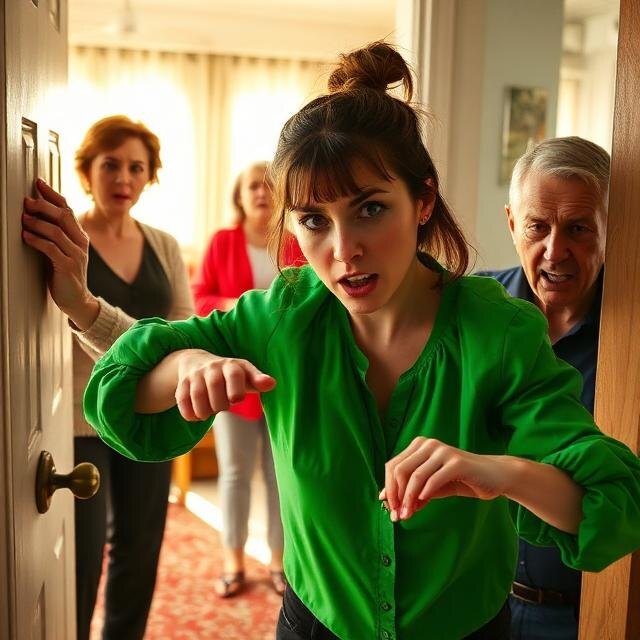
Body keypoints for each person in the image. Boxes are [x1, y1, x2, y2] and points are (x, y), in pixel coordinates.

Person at [77, 42, 640, 640]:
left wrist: (502, 473)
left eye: (370, 209)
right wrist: (189, 361)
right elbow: (120, 385)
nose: (344, 251)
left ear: (423, 200)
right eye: (314, 221)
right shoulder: (279, 315)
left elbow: (614, 502)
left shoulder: (498, 330)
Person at [21, 115, 194, 640]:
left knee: (140, 553)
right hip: (81, 420)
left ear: (150, 177)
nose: (124, 178)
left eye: (137, 167)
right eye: (111, 165)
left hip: (149, 416)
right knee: (79, 557)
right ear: (87, 171)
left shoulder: (164, 245)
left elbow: (184, 333)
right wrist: (147, 347)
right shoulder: (67, 241)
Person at [477, 136, 610, 640]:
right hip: (475, 604)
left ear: (612, 228)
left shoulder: (630, 346)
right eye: (538, 226)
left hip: (586, 614)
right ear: (512, 223)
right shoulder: (470, 313)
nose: (555, 251)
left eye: (578, 228)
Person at [192, 160, 304, 597]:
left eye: (269, 185)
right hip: (232, 378)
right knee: (235, 474)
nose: (262, 192)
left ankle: (278, 561)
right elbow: (200, 299)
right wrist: (244, 306)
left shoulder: (295, 242)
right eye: (253, 186)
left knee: (281, 476)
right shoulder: (223, 242)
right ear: (239, 196)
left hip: (285, 380)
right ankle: (233, 561)